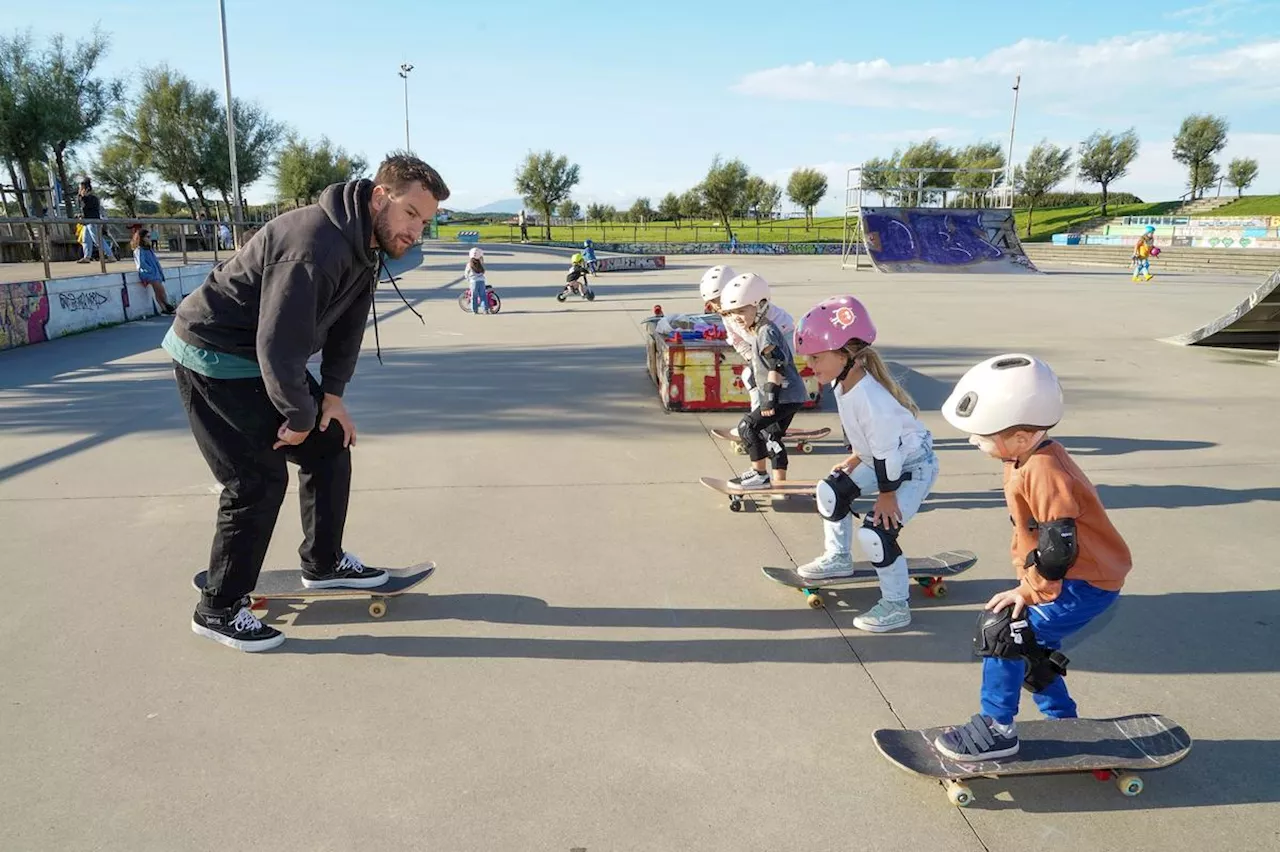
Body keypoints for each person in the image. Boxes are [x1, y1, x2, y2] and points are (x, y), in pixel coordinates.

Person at [162, 152, 450, 652]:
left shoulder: (364, 244)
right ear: (381, 197)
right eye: (410, 215)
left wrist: (331, 398)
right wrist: (298, 415)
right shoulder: (314, 244)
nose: (415, 232)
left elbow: (348, 326)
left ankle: (323, 561)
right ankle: (219, 609)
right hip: (212, 355)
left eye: (424, 222)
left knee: (329, 441)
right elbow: (278, 345)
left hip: (256, 356)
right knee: (256, 480)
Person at [930, 353, 1131, 759]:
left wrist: (1031, 591)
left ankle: (998, 728)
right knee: (1031, 648)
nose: (973, 441)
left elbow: (1058, 548)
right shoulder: (1020, 457)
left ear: (1021, 436)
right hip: (1075, 577)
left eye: (982, 435)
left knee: (1005, 631)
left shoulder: (1042, 469)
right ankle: (1063, 722)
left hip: (1084, 582)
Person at [791, 295, 939, 632]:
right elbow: (867, 438)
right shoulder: (844, 385)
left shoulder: (872, 398)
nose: (811, 366)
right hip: (883, 460)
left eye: (816, 357)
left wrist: (886, 497)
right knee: (830, 490)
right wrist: (858, 456)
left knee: (876, 531)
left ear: (846, 354)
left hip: (912, 468)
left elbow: (889, 453)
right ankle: (838, 559)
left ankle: (896, 605)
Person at [717, 272, 806, 490]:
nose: (736, 317)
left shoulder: (766, 332)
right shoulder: (760, 330)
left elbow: (776, 366)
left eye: (742, 310)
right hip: (791, 395)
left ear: (761, 305)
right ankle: (779, 484)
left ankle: (759, 475)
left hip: (783, 396)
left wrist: (768, 400)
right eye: (732, 312)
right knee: (772, 436)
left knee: (748, 426)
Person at [699, 265, 795, 444]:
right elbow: (736, 340)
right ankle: (759, 419)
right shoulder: (728, 315)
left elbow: (770, 338)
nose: (717, 306)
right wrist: (751, 357)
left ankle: (760, 421)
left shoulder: (756, 310)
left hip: (783, 338)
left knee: (760, 378)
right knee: (751, 376)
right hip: (760, 347)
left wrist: (760, 364)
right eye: (713, 302)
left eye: (718, 299)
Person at [130, 225, 174, 315]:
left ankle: (164, 308)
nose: (149, 239)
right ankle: (166, 306)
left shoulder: (148, 249)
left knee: (158, 291)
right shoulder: (139, 250)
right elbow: (142, 263)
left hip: (155, 272)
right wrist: (150, 270)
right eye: (148, 237)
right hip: (149, 273)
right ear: (141, 238)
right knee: (160, 290)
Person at [76, 178, 116, 264]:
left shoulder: (92, 198)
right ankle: (87, 257)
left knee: (97, 239)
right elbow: (83, 209)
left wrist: (83, 197)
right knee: (86, 240)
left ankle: (110, 255)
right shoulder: (82, 198)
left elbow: (89, 208)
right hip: (86, 222)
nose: (80, 190)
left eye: (81, 188)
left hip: (93, 221)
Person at [464, 246, 489, 314]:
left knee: (474, 297)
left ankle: (474, 310)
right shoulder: (481, 263)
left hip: (473, 282)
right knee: (483, 296)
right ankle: (485, 310)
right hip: (481, 281)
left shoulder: (469, 264)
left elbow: (466, 274)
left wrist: (468, 279)